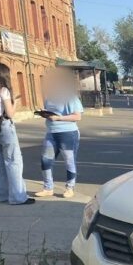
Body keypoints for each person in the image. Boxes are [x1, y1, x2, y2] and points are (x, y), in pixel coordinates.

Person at [0, 63, 34, 205]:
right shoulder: (3, 90)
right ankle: (18, 197)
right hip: (4, 126)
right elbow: (10, 114)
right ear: (5, 75)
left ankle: (2, 194)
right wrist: (15, 102)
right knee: (13, 161)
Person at [36, 68, 84, 199]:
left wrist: (58, 118)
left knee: (69, 160)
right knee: (45, 160)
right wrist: (44, 114)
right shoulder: (49, 97)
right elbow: (51, 112)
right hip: (51, 132)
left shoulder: (70, 97)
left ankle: (70, 188)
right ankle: (48, 188)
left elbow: (77, 117)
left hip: (67, 133)